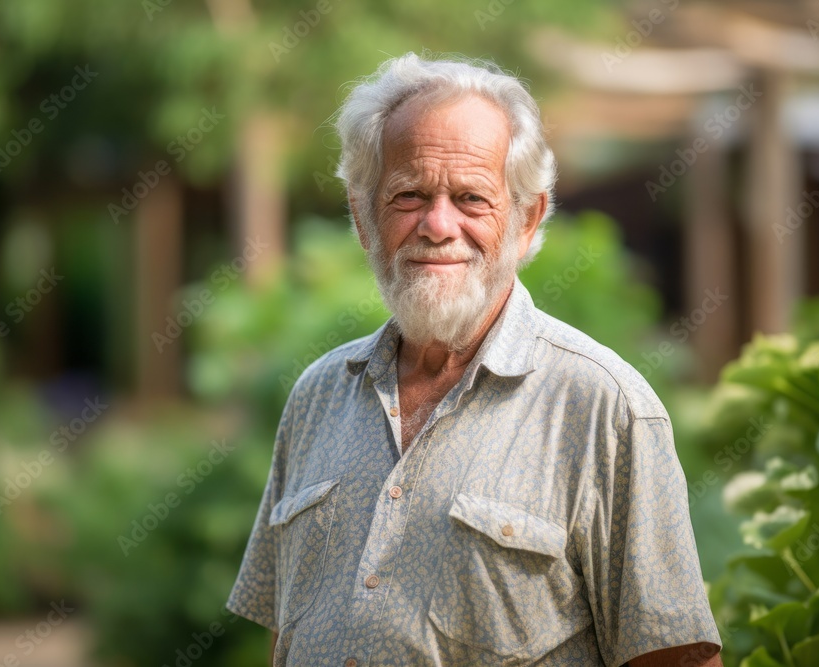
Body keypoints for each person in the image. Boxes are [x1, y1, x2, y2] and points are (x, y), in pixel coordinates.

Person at [227, 52, 723, 666]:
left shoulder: (603, 407)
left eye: (471, 198)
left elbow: (676, 659)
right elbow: (284, 635)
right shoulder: (317, 394)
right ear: (362, 217)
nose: (438, 225)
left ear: (526, 218)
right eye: (408, 194)